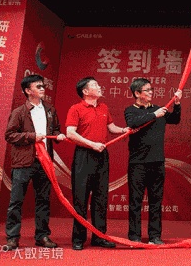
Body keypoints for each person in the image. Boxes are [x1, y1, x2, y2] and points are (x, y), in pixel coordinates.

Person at [65, 76, 130, 251]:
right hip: (84, 155)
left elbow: (111, 127)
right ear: (85, 91)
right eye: (95, 85)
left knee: (101, 197)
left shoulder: (103, 107)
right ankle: (78, 238)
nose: (100, 87)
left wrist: (124, 130)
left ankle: (99, 236)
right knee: (81, 198)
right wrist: (91, 144)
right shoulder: (76, 109)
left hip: (102, 155)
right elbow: (70, 133)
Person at [4, 74, 66, 251]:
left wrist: (58, 135)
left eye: (42, 86)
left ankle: (42, 236)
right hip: (24, 162)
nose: (42, 89)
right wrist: (32, 137)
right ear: (27, 90)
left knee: (43, 200)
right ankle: (12, 237)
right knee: (16, 201)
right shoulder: (19, 112)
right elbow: (9, 135)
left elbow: (55, 129)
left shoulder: (50, 109)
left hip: (44, 160)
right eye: (38, 86)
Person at [124, 78, 182, 245]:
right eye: (147, 90)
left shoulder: (158, 109)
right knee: (135, 201)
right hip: (138, 163)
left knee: (156, 201)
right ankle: (134, 236)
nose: (151, 92)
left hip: (157, 162)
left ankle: (155, 236)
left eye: (151, 89)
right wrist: (154, 115)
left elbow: (174, 119)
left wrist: (177, 104)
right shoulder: (131, 111)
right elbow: (133, 123)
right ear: (137, 93)